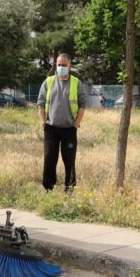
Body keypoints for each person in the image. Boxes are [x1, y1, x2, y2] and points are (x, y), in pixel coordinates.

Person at [37, 53, 88, 191]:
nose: (61, 67)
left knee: (69, 160)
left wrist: (76, 123)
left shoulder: (77, 83)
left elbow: (83, 105)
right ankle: (48, 187)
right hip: (51, 128)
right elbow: (40, 104)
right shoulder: (48, 82)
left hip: (69, 129)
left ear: (69, 66)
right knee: (49, 159)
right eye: (59, 65)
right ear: (55, 66)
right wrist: (43, 122)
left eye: (64, 65)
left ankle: (69, 188)